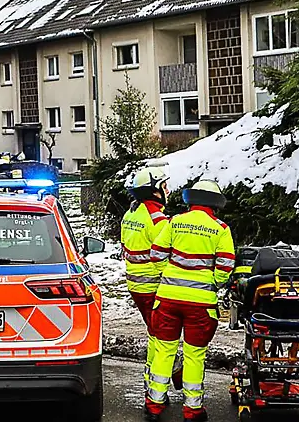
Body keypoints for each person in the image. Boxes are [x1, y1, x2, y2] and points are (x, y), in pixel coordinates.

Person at [144, 180, 235, 422]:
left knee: (164, 350)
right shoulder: (220, 228)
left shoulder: (174, 222)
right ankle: (192, 409)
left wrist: (170, 273)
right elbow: (226, 264)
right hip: (201, 304)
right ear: (215, 203)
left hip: (168, 299)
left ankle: (154, 404)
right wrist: (212, 282)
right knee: (195, 355)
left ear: (191, 200)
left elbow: (156, 254)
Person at [120, 167, 172, 389]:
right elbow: (165, 255)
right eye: (164, 186)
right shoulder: (158, 219)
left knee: (154, 331)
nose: (168, 190)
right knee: (159, 336)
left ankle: (154, 379)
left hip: (135, 284)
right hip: (154, 285)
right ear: (155, 191)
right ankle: (153, 382)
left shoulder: (130, 214)